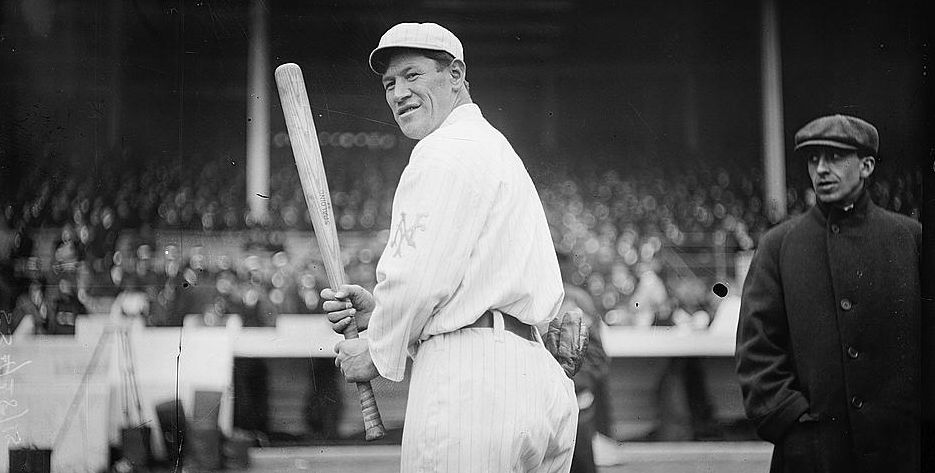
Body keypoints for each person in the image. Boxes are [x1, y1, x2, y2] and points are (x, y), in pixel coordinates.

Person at [321, 22, 578, 472]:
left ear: (455, 75)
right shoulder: (495, 148)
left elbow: (417, 282)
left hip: (472, 382)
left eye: (413, 75)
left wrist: (376, 350)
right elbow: (464, 277)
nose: (398, 92)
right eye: (389, 83)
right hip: (536, 377)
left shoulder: (442, 149)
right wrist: (377, 312)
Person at [735, 114, 922, 473]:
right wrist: (794, 424)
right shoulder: (779, 246)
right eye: (814, 159)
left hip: (901, 451)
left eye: (835, 157)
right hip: (813, 455)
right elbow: (757, 350)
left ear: (866, 165)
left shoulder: (909, 239)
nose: (821, 169)